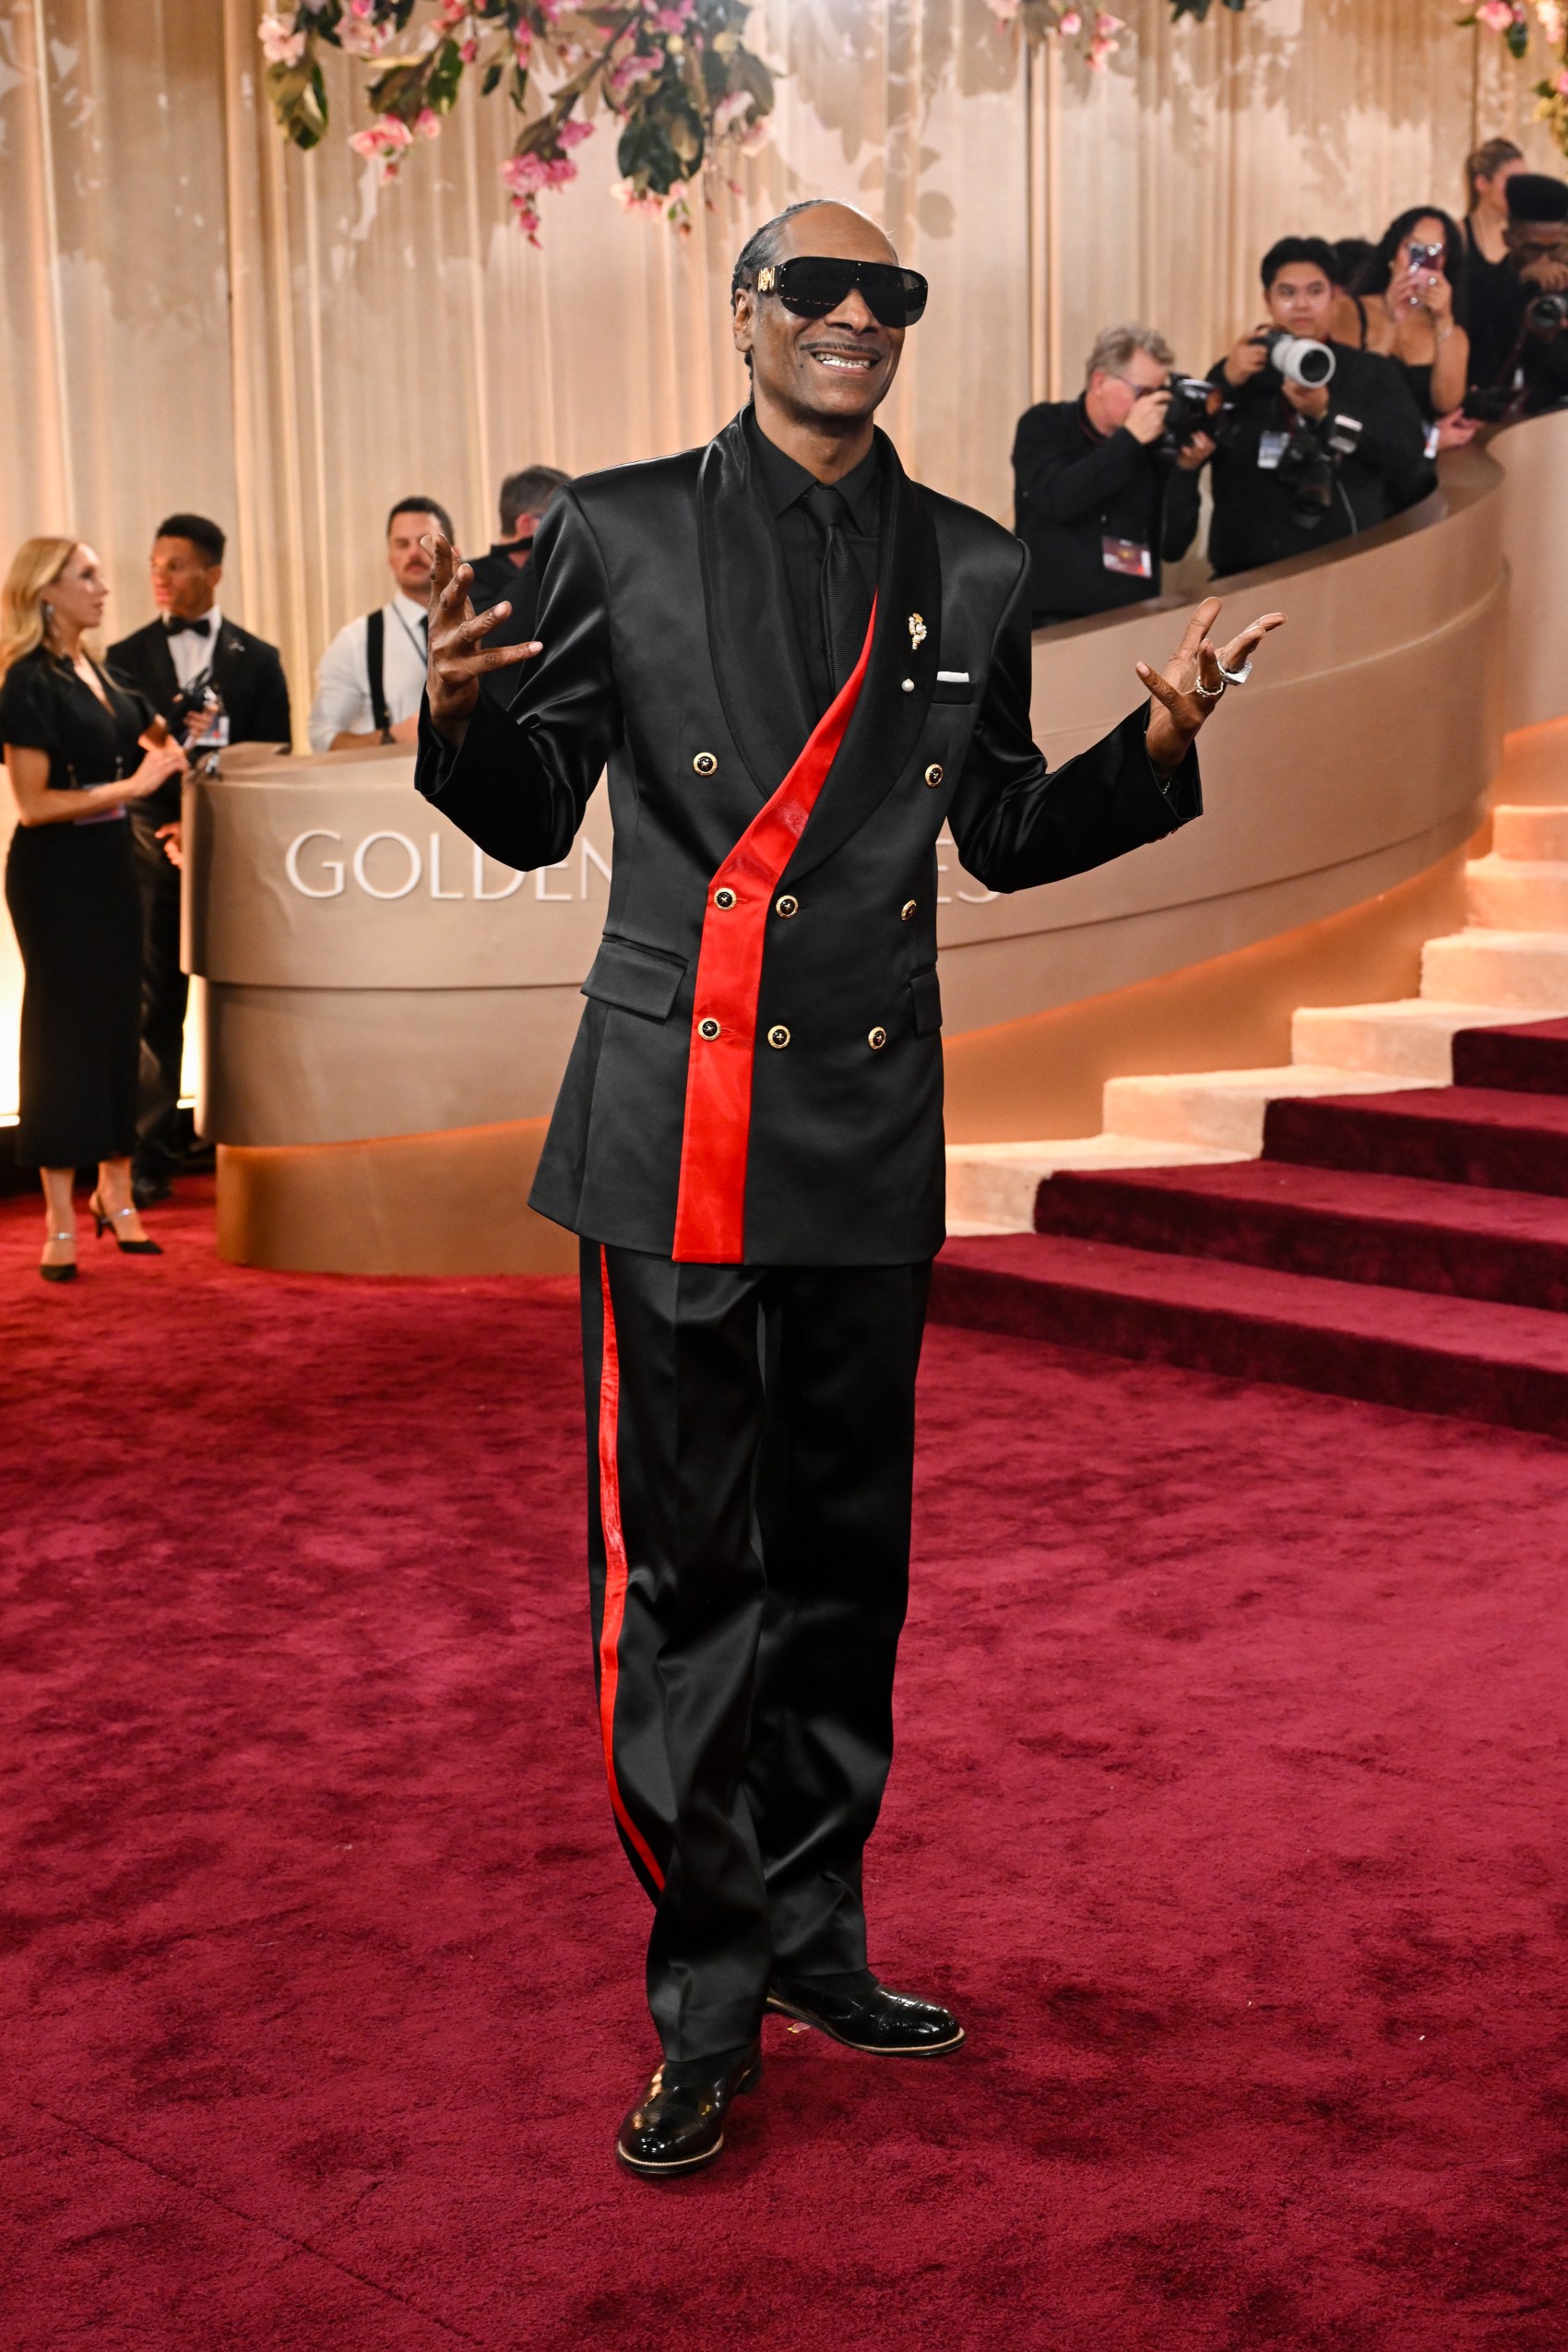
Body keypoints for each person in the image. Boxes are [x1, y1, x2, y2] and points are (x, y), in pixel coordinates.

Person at [415, 197, 1283, 2178]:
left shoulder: (969, 563)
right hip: (682, 1127)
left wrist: (1148, 756)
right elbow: (537, 806)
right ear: (743, 314)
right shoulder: (612, 531)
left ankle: (816, 1939)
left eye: (885, 296)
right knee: (695, 1586)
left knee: (844, 1580)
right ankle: (707, 2000)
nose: (851, 319)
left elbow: (996, 831)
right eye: (813, 288)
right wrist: (462, 721)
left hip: (870, 1138)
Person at [0, 539, 186, 1279]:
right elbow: (35, 803)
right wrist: (137, 787)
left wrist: (173, 754)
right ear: (47, 592)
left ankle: (115, 1193)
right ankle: (57, 1217)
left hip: (113, 866)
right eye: (87, 576)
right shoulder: (26, 682)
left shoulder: (102, 673)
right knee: (61, 1034)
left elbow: (158, 737)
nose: (105, 587)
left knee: (119, 1026)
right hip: (55, 873)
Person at [107, 512, 291, 1206]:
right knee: (156, 1000)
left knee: (247, 995)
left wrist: (213, 824)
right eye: (155, 563)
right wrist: (172, 827)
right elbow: (117, 758)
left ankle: (244, 1138)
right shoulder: (122, 658)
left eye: (177, 564)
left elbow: (274, 755)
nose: (161, 575)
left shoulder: (260, 658)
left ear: (214, 573)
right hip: (151, 851)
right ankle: (148, 1151)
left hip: (238, 848)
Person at [1206, 235, 1434, 577]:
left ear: (1334, 297)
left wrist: (1328, 413)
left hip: (1347, 566)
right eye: (1287, 293)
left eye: (1315, 291)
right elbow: (1186, 448)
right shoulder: (1242, 372)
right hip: (1248, 572)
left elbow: (1407, 451)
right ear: (1267, 300)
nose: (1302, 305)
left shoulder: (1369, 371)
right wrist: (1225, 380)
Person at [1011, 325, 1211, 627]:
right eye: (1143, 392)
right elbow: (1058, 498)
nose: (1153, 405)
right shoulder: (1045, 424)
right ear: (1100, 381)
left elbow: (1173, 546)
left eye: (1160, 394)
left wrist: (1186, 471)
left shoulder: (1155, 445)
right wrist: (1128, 440)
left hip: (1133, 622)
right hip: (1051, 624)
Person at [307, 497, 454, 752]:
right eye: (401, 544)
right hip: (392, 788)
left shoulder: (485, 629)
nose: (413, 553)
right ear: (390, 557)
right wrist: (391, 738)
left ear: (453, 553)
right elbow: (321, 739)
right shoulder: (356, 641)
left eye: (425, 542)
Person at [1354, 208, 1478, 445]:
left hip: (1424, 461)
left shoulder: (1452, 332)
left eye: (1433, 254)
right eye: (1413, 249)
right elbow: (1353, 394)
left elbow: (1446, 404)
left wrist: (1443, 319)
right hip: (1364, 456)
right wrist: (1392, 318)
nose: (1419, 263)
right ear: (1393, 253)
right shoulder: (1352, 311)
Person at [1465, 172, 1568, 417]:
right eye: (1532, 249)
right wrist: (1516, 288)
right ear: (1508, 239)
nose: (1544, 260)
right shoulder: (1480, 285)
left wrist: (1547, 339)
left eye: (1555, 248)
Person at [464, 465, 572, 621]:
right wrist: (541, 561)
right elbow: (497, 637)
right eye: (563, 519)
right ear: (526, 524)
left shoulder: (568, 575)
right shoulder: (469, 580)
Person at [1460, 135, 1526, 374]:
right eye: (1513, 182)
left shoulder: (1528, 240)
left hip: (1518, 365)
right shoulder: (1458, 236)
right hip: (1469, 363)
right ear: (1482, 184)